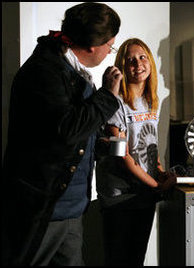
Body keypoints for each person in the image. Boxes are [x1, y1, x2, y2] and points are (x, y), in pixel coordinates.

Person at [1, 2, 122, 266]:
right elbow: (65, 130)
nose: (109, 52)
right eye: (110, 46)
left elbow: (68, 134)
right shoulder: (44, 71)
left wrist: (98, 146)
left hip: (69, 210)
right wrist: (107, 96)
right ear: (93, 46)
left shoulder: (70, 71)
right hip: (43, 210)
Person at [95, 38, 176, 266]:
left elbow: (151, 146)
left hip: (144, 193)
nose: (138, 64)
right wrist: (157, 186)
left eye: (142, 57)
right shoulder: (116, 103)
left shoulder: (151, 102)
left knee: (137, 259)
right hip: (120, 196)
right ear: (121, 67)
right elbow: (122, 156)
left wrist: (159, 173)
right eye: (130, 60)